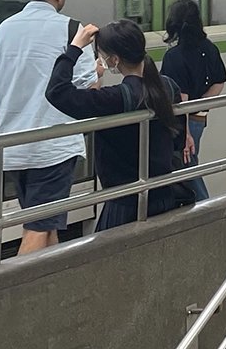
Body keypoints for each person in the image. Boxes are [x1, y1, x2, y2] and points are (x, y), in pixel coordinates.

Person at [0, 0, 96, 255]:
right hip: (53, 148)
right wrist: (100, 72)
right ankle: (15, 293)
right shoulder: (73, 30)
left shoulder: (3, 30)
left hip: (12, 147)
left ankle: (50, 286)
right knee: (37, 227)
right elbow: (87, 90)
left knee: (47, 224)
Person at [45, 20, 195, 230]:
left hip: (124, 203)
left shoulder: (114, 99)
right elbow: (178, 140)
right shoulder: (169, 87)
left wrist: (75, 48)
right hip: (165, 194)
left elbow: (56, 92)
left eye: (102, 56)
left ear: (114, 60)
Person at [161, 0, 226, 202]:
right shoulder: (209, 48)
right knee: (189, 162)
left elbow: (181, 101)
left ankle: (205, 207)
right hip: (199, 119)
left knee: (187, 163)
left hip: (183, 123)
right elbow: (220, 81)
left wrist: (185, 132)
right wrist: (203, 105)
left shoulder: (174, 56)